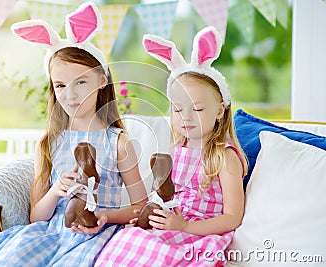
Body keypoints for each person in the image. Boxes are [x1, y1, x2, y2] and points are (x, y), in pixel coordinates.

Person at [0, 2, 147, 266]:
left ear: (102, 80)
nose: (70, 95)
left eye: (81, 82)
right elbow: (37, 216)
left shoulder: (118, 142)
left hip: (100, 233)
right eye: (60, 85)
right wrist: (56, 191)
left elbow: (140, 207)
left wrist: (106, 216)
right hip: (52, 233)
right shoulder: (49, 143)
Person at [95, 27, 248, 266]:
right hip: (174, 224)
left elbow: (232, 217)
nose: (186, 117)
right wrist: (153, 217)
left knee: (163, 255)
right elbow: (169, 198)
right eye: (178, 109)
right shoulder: (178, 149)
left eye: (197, 109)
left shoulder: (223, 157)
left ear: (220, 110)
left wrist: (185, 226)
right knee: (126, 238)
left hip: (199, 232)